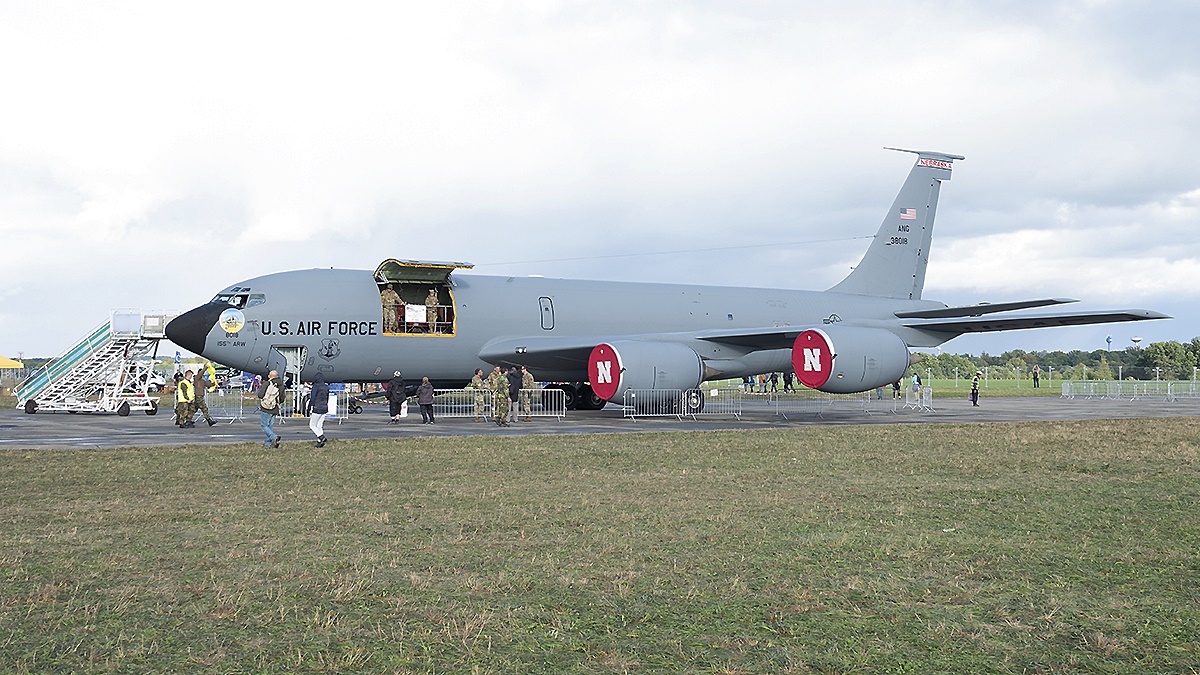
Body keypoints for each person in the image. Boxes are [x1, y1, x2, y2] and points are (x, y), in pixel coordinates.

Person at [258, 370, 282, 447]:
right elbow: (282, 397)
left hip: (266, 407)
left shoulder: (267, 383)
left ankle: (273, 437)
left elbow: (260, 395)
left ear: (269, 376)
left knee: (264, 425)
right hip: (275, 407)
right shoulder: (280, 384)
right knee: (270, 426)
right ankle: (268, 443)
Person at [307, 373, 329, 447]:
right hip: (325, 407)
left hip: (317, 407)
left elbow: (312, 398)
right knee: (319, 425)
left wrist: (309, 407)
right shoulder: (326, 386)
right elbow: (327, 397)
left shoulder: (316, 386)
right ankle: (320, 442)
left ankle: (321, 437)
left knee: (312, 425)